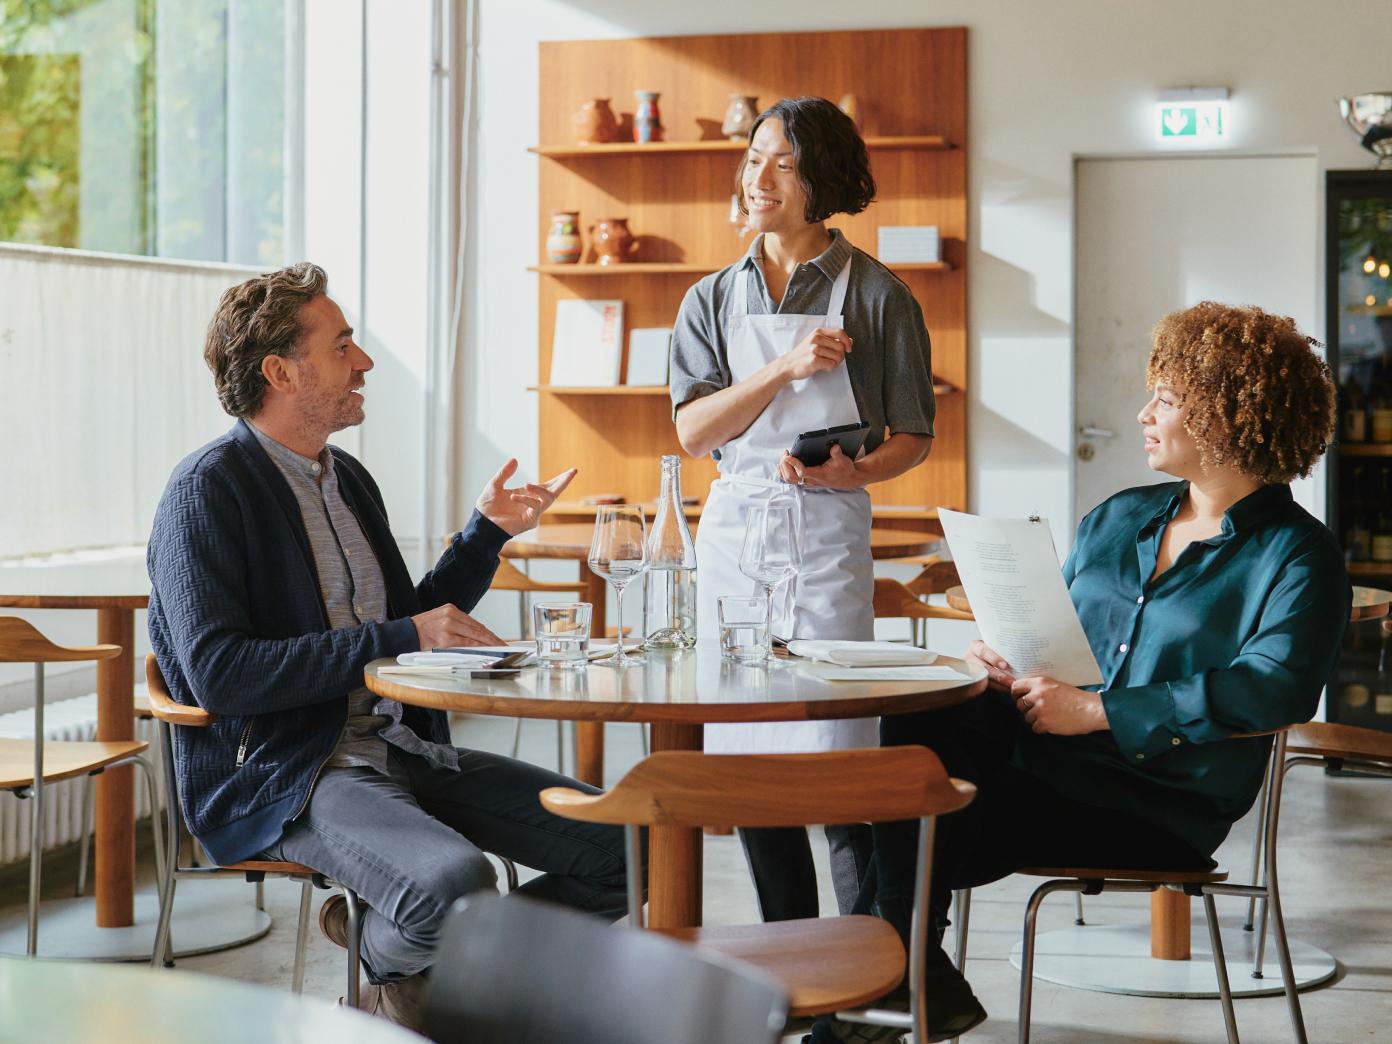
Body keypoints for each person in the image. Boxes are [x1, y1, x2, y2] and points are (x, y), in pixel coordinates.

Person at [813, 302, 1349, 1043]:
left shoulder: (1298, 555)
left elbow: (1274, 687)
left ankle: (892, 988)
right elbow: (1062, 641)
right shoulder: (1119, 517)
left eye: (1166, 398)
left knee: (921, 810)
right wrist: (1004, 659)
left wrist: (1099, 713)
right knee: (918, 722)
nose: (1143, 412)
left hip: (1156, 801)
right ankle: (904, 982)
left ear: (1230, 414)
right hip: (1047, 757)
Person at [147, 263, 630, 1030]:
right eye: (342, 347)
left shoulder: (347, 480)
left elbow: (405, 620)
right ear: (281, 371)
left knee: (628, 850)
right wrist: (404, 634)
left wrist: (487, 535)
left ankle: (397, 957)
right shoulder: (207, 490)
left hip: (401, 746)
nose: (364, 361)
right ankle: (408, 955)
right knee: (456, 887)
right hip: (287, 771)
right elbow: (221, 676)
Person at [669, 96, 938, 923]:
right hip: (737, 536)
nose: (761, 178)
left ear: (823, 177)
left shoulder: (881, 297)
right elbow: (691, 432)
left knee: (836, 751)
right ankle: (787, 949)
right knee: (749, 754)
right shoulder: (709, 299)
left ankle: (863, 974)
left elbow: (914, 437)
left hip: (825, 535)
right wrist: (782, 369)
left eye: (783, 162)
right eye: (753, 159)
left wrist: (853, 475)